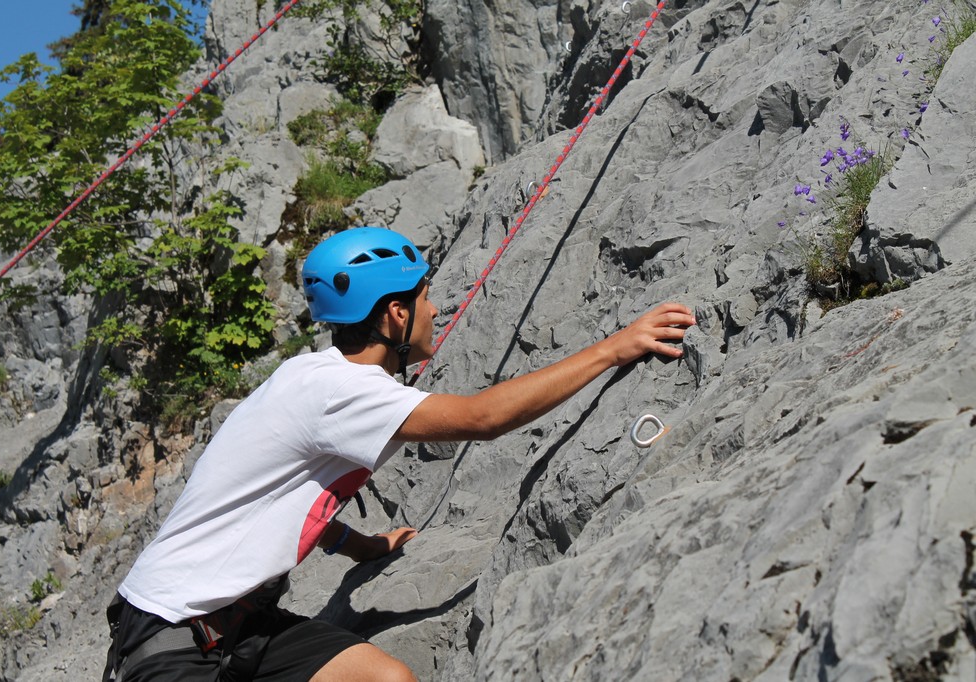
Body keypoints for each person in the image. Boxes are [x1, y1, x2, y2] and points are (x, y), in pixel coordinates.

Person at [103, 226, 696, 681]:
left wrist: (359, 544)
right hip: (173, 639)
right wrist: (616, 348)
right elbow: (483, 419)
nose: (435, 309)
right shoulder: (340, 392)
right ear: (395, 313)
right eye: (425, 296)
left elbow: (283, 493)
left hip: (240, 622)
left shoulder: (314, 378)